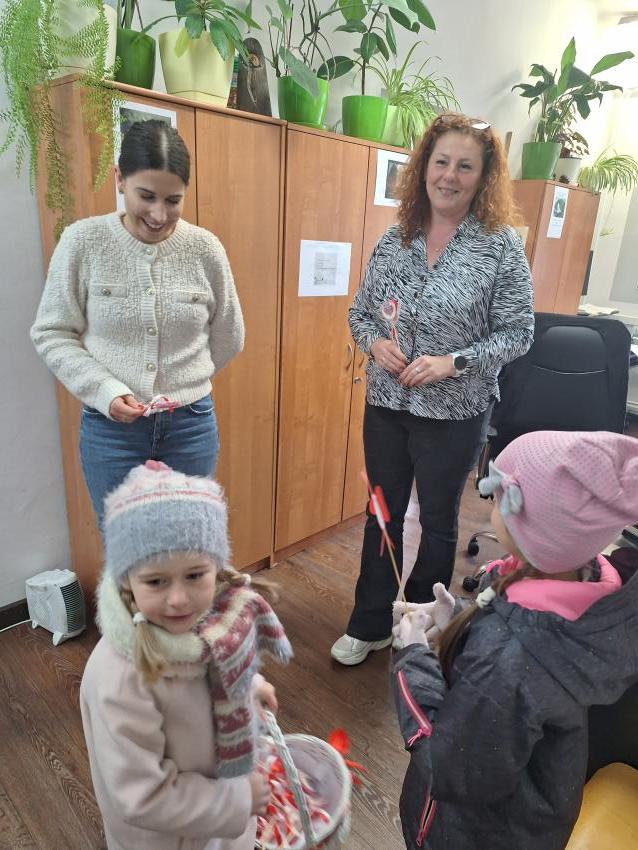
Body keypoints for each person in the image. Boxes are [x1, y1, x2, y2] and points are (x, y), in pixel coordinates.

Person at [331, 113, 535, 666]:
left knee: (439, 521)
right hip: (387, 403)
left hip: (455, 411)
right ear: (424, 167)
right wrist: (374, 343)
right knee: (382, 513)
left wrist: (453, 362)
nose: (449, 175)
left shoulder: (500, 247)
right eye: (441, 162)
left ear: (483, 177)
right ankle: (370, 621)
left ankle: (419, 623)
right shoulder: (394, 240)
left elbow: (519, 333)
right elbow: (359, 313)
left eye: (465, 166)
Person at [391, 430, 638, 850]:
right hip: (534, 818)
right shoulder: (589, 584)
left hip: (471, 835)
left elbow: (450, 768)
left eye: (497, 497)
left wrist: (412, 657)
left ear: (528, 525)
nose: (490, 504)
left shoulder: (507, 662)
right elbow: (518, 631)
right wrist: (462, 620)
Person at [31, 120, 244, 523]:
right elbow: (52, 332)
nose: (159, 214)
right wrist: (105, 389)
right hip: (111, 430)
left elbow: (229, 334)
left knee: (189, 540)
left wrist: (185, 382)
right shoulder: (83, 242)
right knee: (125, 544)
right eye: (146, 196)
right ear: (119, 179)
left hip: (191, 426)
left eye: (173, 200)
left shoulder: (205, 249)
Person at [80, 460, 293, 850]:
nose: (178, 599)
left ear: (216, 567)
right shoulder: (120, 678)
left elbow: (216, 671)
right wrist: (239, 800)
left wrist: (250, 689)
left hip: (219, 822)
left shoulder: (212, 620)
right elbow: (143, 795)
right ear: (127, 581)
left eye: (195, 575)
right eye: (156, 581)